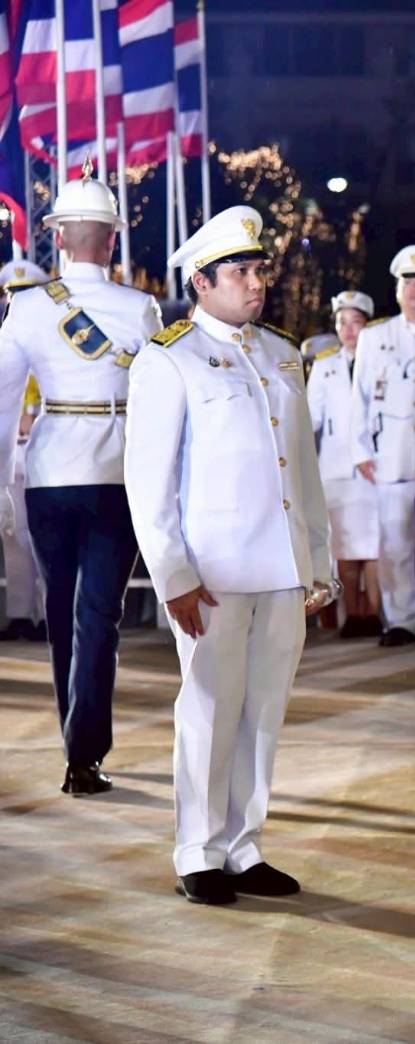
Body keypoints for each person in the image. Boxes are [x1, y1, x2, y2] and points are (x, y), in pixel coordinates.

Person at [124, 205, 334, 906]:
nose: (255, 283)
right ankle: (198, 850)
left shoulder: (281, 352)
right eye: (239, 271)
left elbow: (301, 467)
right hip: (212, 575)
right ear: (201, 281)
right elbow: (149, 482)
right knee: (210, 710)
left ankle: (245, 846)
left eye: (259, 269)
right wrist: (174, 577)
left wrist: (319, 561)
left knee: (264, 712)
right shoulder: (169, 357)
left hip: (281, 568)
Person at [0, 176, 163, 796]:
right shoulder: (140, 309)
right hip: (115, 475)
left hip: (47, 477)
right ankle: (84, 754)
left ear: (59, 237)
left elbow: (2, 400)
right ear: (113, 239)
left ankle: (77, 741)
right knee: (99, 614)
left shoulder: (29, 306)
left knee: (60, 605)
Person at [350, 245, 415, 648]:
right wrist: (360, 450)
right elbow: (359, 396)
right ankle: (400, 620)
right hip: (390, 454)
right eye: (407, 283)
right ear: (397, 289)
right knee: (394, 543)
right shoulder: (376, 336)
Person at [307, 290, 382, 639]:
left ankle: (377, 613)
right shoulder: (324, 366)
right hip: (336, 467)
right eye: (342, 323)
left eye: (356, 323)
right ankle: (353, 614)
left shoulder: (383, 361)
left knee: (377, 545)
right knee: (345, 547)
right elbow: (311, 420)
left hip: (375, 466)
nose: (349, 330)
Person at [0, 262, 49, 642]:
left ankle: (49, 614)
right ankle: (19, 613)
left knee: (46, 535)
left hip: (45, 448)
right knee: (13, 534)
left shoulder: (56, 340)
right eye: (10, 296)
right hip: (9, 450)